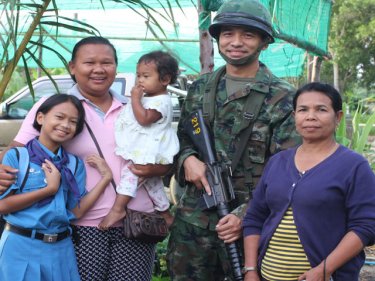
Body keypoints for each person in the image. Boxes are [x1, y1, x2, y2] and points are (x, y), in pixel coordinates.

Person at [0, 36, 170, 281]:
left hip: (136, 222)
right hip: (83, 225)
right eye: (89, 62)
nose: (99, 69)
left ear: (116, 67)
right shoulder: (57, 108)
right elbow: (17, 151)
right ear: (72, 67)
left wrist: (160, 168)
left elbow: (164, 150)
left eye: (107, 63)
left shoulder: (137, 108)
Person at [166, 0, 301, 280]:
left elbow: (289, 169)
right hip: (194, 223)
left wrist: (245, 215)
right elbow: (181, 138)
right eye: (227, 34)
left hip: (250, 224)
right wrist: (187, 159)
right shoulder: (201, 88)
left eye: (248, 35)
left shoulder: (284, 98)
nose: (236, 42)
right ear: (217, 39)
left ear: (264, 42)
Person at [242, 82, 375, 281]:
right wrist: (251, 269)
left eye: (321, 109)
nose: (310, 116)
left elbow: (365, 225)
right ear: (295, 115)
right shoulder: (278, 162)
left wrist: (324, 270)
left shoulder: (354, 166)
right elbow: (254, 218)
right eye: (303, 110)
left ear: (337, 117)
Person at [0, 94, 112, 281]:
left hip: (61, 249)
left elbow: (76, 211)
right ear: (40, 118)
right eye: (59, 117)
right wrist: (47, 190)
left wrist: (105, 179)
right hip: (20, 246)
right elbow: (3, 206)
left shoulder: (74, 164)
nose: (65, 125)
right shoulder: (18, 157)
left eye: (73, 121)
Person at [99, 50, 179, 229]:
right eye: (138, 75)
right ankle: (165, 213)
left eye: (146, 76)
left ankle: (118, 208)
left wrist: (135, 99)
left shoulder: (161, 101)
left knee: (131, 174)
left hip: (150, 151)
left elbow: (144, 119)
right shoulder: (150, 98)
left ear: (165, 80)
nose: (139, 80)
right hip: (146, 150)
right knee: (152, 182)